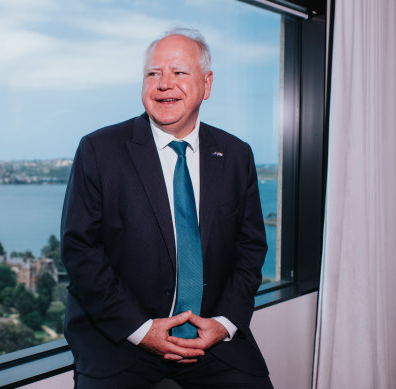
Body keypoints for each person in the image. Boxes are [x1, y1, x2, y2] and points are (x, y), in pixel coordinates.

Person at [61, 27, 273, 388]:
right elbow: (81, 251)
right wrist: (142, 331)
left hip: (212, 337)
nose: (164, 84)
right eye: (153, 73)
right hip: (122, 337)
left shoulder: (237, 154)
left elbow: (250, 248)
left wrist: (223, 323)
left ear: (206, 84)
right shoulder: (99, 150)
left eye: (178, 72)